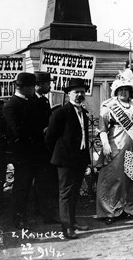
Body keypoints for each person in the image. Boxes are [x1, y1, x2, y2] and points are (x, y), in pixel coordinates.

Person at [96, 70, 133, 225]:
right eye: (121, 89)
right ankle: (110, 211)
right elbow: (103, 128)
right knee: (113, 178)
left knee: (131, 177)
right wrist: (105, 144)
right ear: (116, 91)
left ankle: (129, 208)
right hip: (115, 143)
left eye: (126, 89)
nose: (124, 92)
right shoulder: (108, 106)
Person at [45, 78, 91, 239]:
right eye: (76, 92)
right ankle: (66, 228)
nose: (79, 95)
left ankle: (72, 221)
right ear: (68, 94)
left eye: (82, 92)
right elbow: (50, 138)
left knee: (75, 192)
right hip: (65, 160)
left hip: (79, 159)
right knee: (65, 193)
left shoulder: (83, 113)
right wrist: (61, 154)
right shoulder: (60, 113)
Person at [2, 73, 44, 228]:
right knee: (22, 186)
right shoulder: (11, 105)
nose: (34, 90)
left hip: (33, 152)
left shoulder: (29, 101)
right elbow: (19, 130)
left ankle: (27, 214)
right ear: (26, 88)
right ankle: (18, 217)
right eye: (33, 87)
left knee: (30, 185)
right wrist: (40, 131)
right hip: (23, 153)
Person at [33, 71, 59, 224]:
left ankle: (40, 209)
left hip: (45, 146)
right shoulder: (33, 101)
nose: (50, 86)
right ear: (39, 85)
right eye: (48, 83)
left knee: (43, 180)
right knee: (44, 181)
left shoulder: (43, 100)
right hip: (39, 147)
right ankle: (46, 214)